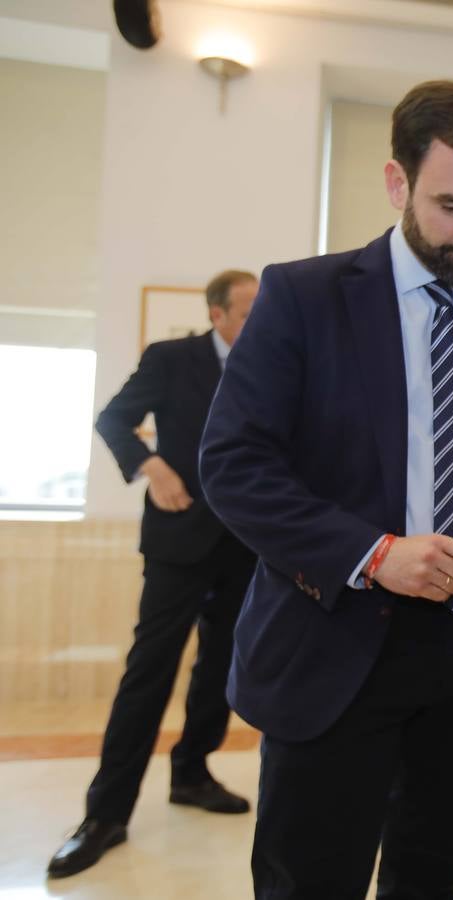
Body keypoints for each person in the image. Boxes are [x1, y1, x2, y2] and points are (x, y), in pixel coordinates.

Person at [198, 80, 453, 899]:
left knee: (429, 881)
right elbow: (235, 465)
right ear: (397, 182)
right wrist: (373, 555)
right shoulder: (303, 299)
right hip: (333, 654)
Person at [48, 270, 259, 879]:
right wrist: (152, 466)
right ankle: (106, 813)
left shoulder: (271, 362)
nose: (258, 322)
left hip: (245, 543)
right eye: (247, 311)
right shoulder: (171, 359)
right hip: (177, 538)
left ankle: (192, 773)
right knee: (151, 669)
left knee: (221, 666)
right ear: (217, 315)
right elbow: (115, 420)